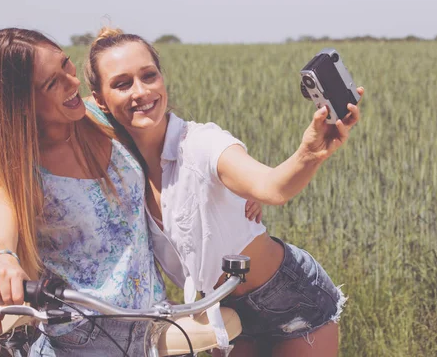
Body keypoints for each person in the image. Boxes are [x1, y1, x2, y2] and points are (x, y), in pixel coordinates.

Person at [85, 27, 363, 356]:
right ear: (100, 98)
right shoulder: (123, 170)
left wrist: (309, 154)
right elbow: (63, 110)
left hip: (289, 300)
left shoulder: (201, 143)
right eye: (122, 83)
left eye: (149, 76)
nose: (141, 91)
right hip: (223, 313)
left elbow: (272, 187)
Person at [0, 28, 167, 356]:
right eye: (52, 83)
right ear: (20, 102)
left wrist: (235, 186)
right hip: (82, 341)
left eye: (66, 65)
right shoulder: (13, 180)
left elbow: (178, 142)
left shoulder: (101, 116)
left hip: (156, 325)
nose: (73, 83)